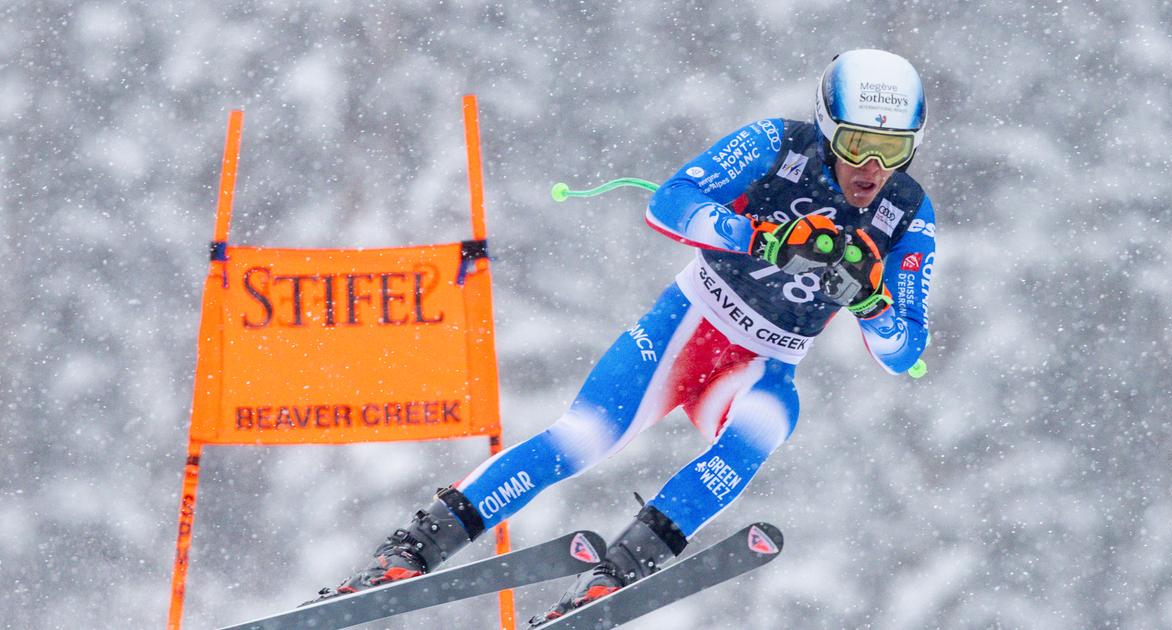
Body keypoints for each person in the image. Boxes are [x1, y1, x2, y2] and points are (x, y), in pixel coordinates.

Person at [309, 49, 937, 626]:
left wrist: (873, 302)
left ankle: (619, 573)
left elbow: (904, 351)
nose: (873, 167)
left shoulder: (908, 211)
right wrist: (760, 239)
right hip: (687, 327)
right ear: (828, 129)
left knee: (769, 424)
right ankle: (410, 551)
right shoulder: (777, 144)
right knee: (583, 439)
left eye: (894, 149)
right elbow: (669, 201)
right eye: (858, 144)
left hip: (766, 362)